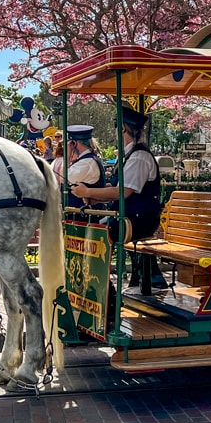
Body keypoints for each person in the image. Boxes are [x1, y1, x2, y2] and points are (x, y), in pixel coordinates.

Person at [72, 105, 164, 291]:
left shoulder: (138, 157)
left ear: (123, 129)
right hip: (130, 216)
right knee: (94, 228)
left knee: (98, 234)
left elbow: (123, 192)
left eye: (117, 127)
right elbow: (117, 190)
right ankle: (138, 282)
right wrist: (97, 199)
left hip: (139, 219)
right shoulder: (130, 155)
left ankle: (104, 290)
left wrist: (88, 193)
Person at [63, 125, 106, 208]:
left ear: (74, 143)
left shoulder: (87, 162)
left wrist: (68, 155)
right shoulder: (86, 160)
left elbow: (64, 178)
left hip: (85, 216)